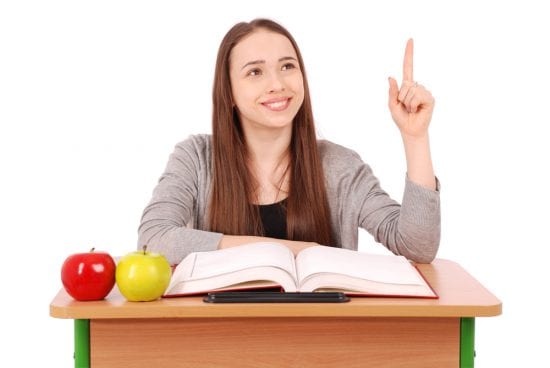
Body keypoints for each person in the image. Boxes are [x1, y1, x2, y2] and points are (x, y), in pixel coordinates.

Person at [138, 18, 440, 265]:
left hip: (322, 334)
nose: (277, 84)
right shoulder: (196, 158)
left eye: (287, 66)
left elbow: (417, 247)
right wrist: (288, 250)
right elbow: (154, 239)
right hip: (222, 334)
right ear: (228, 92)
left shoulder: (340, 166)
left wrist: (415, 138)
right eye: (255, 72)